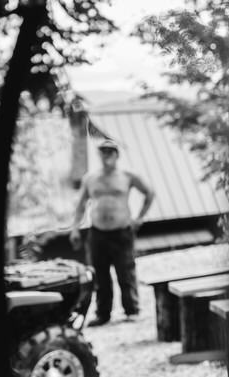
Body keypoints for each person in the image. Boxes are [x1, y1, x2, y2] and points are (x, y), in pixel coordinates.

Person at [70, 138, 155, 326]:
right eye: (103, 152)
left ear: (117, 155)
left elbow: (149, 193)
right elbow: (81, 204)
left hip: (121, 231)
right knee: (100, 274)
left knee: (125, 270)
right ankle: (103, 313)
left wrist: (139, 218)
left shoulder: (127, 175)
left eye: (110, 152)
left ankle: (132, 310)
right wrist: (75, 228)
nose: (106, 155)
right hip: (98, 232)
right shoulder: (90, 178)